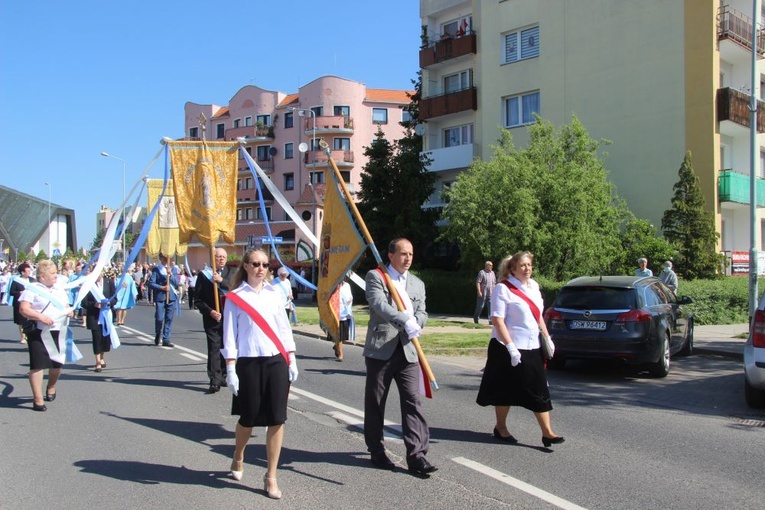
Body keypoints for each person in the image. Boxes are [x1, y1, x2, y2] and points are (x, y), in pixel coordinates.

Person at [222, 249, 298, 500]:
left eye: (265, 264)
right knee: (249, 417)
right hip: (248, 363)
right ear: (245, 266)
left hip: (276, 360)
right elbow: (229, 335)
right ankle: (238, 454)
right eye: (255, 263)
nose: (261, 268)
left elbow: (283, 328)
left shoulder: (275, 293)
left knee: (277, 418)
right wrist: (231, 368)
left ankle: (271, 476)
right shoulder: (234, 297)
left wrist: (291, 358)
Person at [476, 251, 564, 448]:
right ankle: (500, 427)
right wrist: (511, 348)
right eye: (522, 265)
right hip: (507, 347)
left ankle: (547, 433)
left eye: (529, 265)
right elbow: (498, 320)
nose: (527, 269)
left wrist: (547, 338)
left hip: (532, 346)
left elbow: (537, 314)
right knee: (504, 388)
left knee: (539, 388)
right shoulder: (502, 288)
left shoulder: (534, 286)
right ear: (512, 269)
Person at [363, 238, 436, 476]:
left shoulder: (417, 283)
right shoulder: (376, 276)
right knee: (376, 403)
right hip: (381, 349)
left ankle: (417, 456)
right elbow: (378, 305)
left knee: (413, 401)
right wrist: (405, 320)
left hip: (408, 350)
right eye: (403, 254)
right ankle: (376, 450)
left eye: (411, 254)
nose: (407, 259)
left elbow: (423, 311)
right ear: (391, 254)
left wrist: (418, 323)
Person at [18, 259, 74, 412]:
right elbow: (24, 309)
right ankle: (38, 399)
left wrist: (69, 311)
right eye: (53, 273)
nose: (56, 275)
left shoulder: (59, 289)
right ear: (42, 277)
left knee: (57, 365)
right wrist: (40, 317)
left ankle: (51, 386)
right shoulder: (32, 289)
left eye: (56, 272)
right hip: (39, 331)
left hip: (58, 330)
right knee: (37, 365)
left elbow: (66, 305)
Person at [195, 248, 234, 394]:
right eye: (218, 257)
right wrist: (210, 311)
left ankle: (223, 375)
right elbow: (198, 300)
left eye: (224, 257)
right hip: (212, 317)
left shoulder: (232, 272)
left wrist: (222, 281)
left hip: (229, 317)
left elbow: (237, 289)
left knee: (227, 346)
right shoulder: (204, 275)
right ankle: (215, 380)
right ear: (213, 258)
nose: (221, 259)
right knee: (214, 348)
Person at [81, 270, 117, 372]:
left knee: (104, 339)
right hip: (94, 316)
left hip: (106, 315)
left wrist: (109, 303)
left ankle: (101, 357)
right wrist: (95, 305)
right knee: (96, 338)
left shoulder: (109, 282)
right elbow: (84, 303)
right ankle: (97, 362)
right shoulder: (89, 285)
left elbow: (114, 298)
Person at [148, 254, 178, 347]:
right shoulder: (156, 270)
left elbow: (176, 283)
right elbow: (151, 283)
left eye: (167, 258)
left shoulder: (173, 269)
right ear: (161, 258)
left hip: (171, 297)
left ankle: (166, 339)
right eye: (164, 258)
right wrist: (162, 287)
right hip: (160, 297)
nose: (166, 259)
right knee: (159, 318)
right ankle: (158, 334)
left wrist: (171, 275)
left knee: (169, 319)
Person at [10, 262, 36, 344]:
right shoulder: (16, 281)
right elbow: (11, 292)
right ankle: (23, 337)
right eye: (27, 271)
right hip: (19, 303)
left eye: (29, 271)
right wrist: (19, 292)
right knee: (21, 321)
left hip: (31, 303)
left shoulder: (32, 280)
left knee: (31, 319)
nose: (29, 272)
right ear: (22, 272)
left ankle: (30, 335)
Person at [332, 279, 354, 361]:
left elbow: (350, 295)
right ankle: (340, 354)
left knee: (344, 335)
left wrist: (350, 300)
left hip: (346, 312)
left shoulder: (347, 285)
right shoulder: (334, 285)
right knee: (340, 335)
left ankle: (336, 345)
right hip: (337, 313)